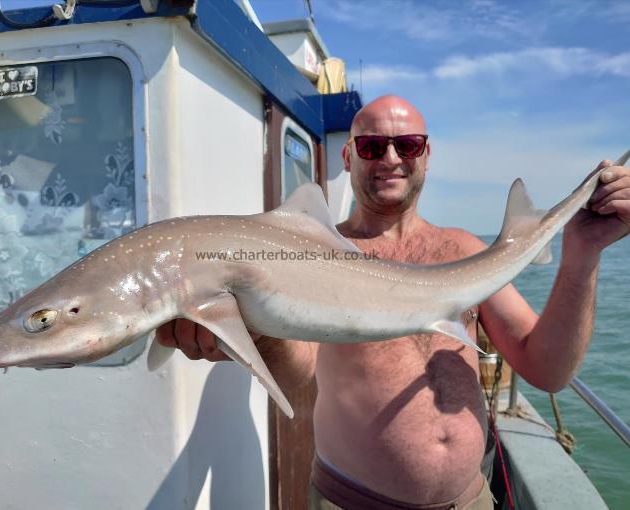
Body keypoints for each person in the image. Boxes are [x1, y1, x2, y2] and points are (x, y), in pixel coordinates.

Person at [156, 95, 630, 509]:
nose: (390, 157)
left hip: (472, 499)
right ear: (347, 156)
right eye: (370, 146)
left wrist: (583, 255)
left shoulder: (464, 251)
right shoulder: (315, 255)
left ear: (427, 155)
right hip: (353, 502)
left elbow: (548, 370)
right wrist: (254, 333)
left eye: (407, 145)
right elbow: (298, 370)